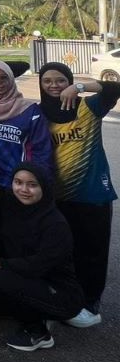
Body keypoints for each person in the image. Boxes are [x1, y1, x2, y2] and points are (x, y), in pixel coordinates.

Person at [0, 163, 84, 352]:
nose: (24, 189)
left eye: (32, 185)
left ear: (44, 187)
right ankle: (33, 309)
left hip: (60, 292)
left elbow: (41, 265)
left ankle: (38, 331)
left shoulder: (55, 223)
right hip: (26, 278)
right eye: (18, 182)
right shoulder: (12, 204)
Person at [37, 62, 120, 327]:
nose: (53, 85)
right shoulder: (38, 113)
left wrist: (81, 86)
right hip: (56, 195)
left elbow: (115, 88)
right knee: (62, 250)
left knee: (92, 251)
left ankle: (90, 303)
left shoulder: (88, 107)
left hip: (92, 193)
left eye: (60, 80)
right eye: (47, 80)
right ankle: (65, 296)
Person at [0, 60, 51, 263]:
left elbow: (41, 153)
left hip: (18, 188)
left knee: (17, 241)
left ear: (11, 78)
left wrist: (35, 187)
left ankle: (15, 286)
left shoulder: (30, 111)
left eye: (3, 77)